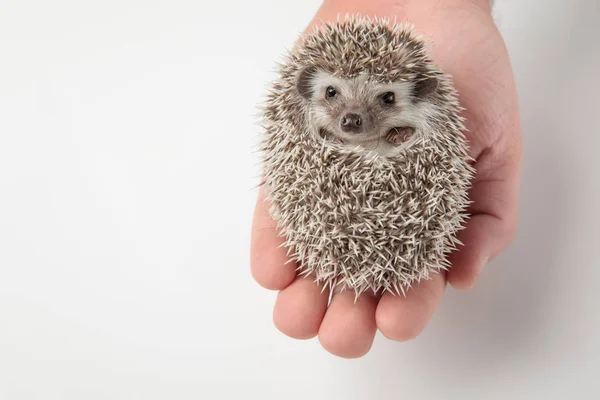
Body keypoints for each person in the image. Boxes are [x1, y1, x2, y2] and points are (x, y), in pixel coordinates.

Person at [250, 0, 521, 358]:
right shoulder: (301, 125)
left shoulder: (429, 128)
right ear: (307, 89)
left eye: (386, 99)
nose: (352, 117)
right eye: (332, 93)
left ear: (422, 98)